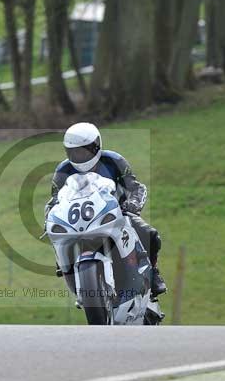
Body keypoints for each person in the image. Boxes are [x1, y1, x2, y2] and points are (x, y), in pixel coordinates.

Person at [46, 122, 167, 298]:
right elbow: (54, 201)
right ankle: (64, 266)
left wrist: (132, 204)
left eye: (84, 150)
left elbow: (136, 187)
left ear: (96, 146)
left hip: (117, 214)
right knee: (56, 235)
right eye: (75, 152)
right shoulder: (63, 170)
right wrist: (48, 220)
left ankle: (153, 272)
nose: (80, 156)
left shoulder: (113, 160)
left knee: (150, 234)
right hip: (79, 220)